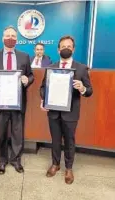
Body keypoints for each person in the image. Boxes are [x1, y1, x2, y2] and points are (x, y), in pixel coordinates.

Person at [40, 35, 93, 184]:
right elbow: (43, 87)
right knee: (55, 140)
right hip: (54, 112)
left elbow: (89, 91)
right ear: (58, 49)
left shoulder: (81, 68)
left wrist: (82, 88)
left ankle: (68, 168)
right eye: (63, 46)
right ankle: (55, 164)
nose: (66, 49)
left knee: (69, 140)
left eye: (69, 47)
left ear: (73, 49)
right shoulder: (51, 67)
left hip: (71, 113)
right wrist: (43, 99)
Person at [0, 26, 34, 174]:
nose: (10, 38)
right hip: (0, 102)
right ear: (2, 38)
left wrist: (27, 80)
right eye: (8, 35)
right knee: (0, 133)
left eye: (13, 36)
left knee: (17, 133)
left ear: (17, 39)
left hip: (17, 102)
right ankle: (1, 161)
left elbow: (31, 75)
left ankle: (16, 160)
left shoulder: (24, 56)